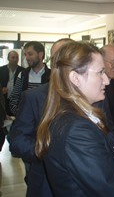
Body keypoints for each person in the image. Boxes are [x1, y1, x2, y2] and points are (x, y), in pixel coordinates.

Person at [35, 42, 114, 196]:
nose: (106, 80)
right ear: (75, 78)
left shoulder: (75, 115)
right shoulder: (77, 129)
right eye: (100, 72)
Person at [9, 38, 78, 196]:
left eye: (30, 54)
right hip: (41, 169)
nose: (27, 57)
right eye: (56, 59)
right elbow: (15, 100)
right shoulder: (25, 78)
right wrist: (18, 115)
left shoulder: (93, 93)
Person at [9, 41, 51, 115]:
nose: (27, 58)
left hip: (47, 122)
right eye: (25, 55)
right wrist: (21, 115)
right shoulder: (22, 75)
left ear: (40, 54)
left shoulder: (52, 75)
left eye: (30, 54)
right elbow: (13, 98)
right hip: (26, 123)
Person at [0, 50, 25, 116]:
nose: (15, 59)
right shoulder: (1, 70)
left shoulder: (23, 71)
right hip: (4, 99)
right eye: (13, 57)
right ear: (8, 58)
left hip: (17, 101)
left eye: (17, 57)